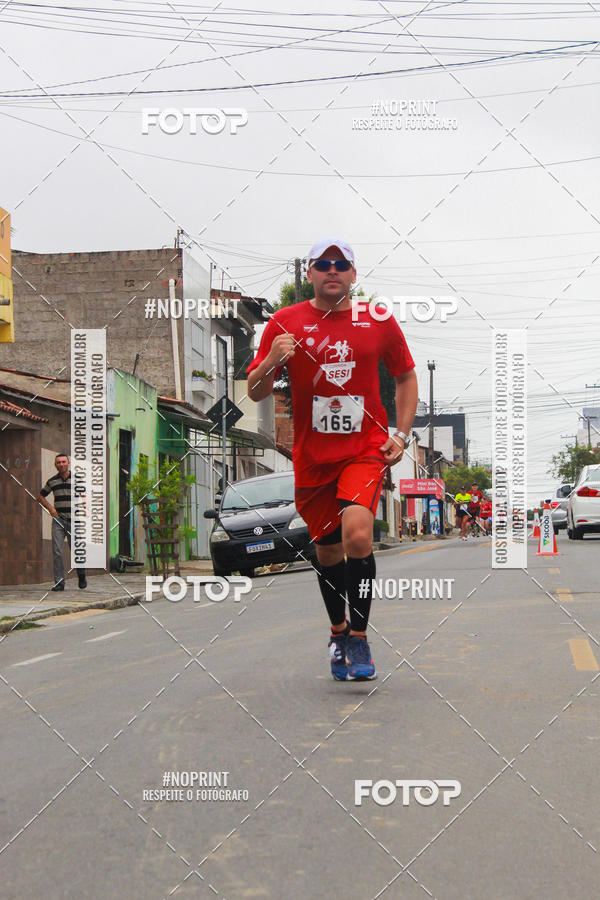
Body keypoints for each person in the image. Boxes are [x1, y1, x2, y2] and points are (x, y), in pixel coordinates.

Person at [247, 238, 417, 681]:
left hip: (363, 450)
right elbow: (255, 390)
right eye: (323, 264)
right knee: (326, 551)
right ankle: (338, 630)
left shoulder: (377, 320)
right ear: (310, 274)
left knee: (358, 536)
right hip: (312, 457)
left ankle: (359, 640)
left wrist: (400, 434)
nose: (332, 270)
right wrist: (271, 360)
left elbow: (405, 376)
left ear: (353, 274)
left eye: (341, 264)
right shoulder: (285, 322)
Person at [37, 453, 87, 591]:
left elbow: (85, 496)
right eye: (58, 462)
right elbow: (40, 496)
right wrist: (51, 508)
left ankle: (81, 574)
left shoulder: (78, 479)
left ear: (68, 463)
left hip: (74, 521)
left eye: (63, 461)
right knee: (57, 551)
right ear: (55, 465)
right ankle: (59, 583)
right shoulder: (52, 481)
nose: (61, 464)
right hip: (58, 521)